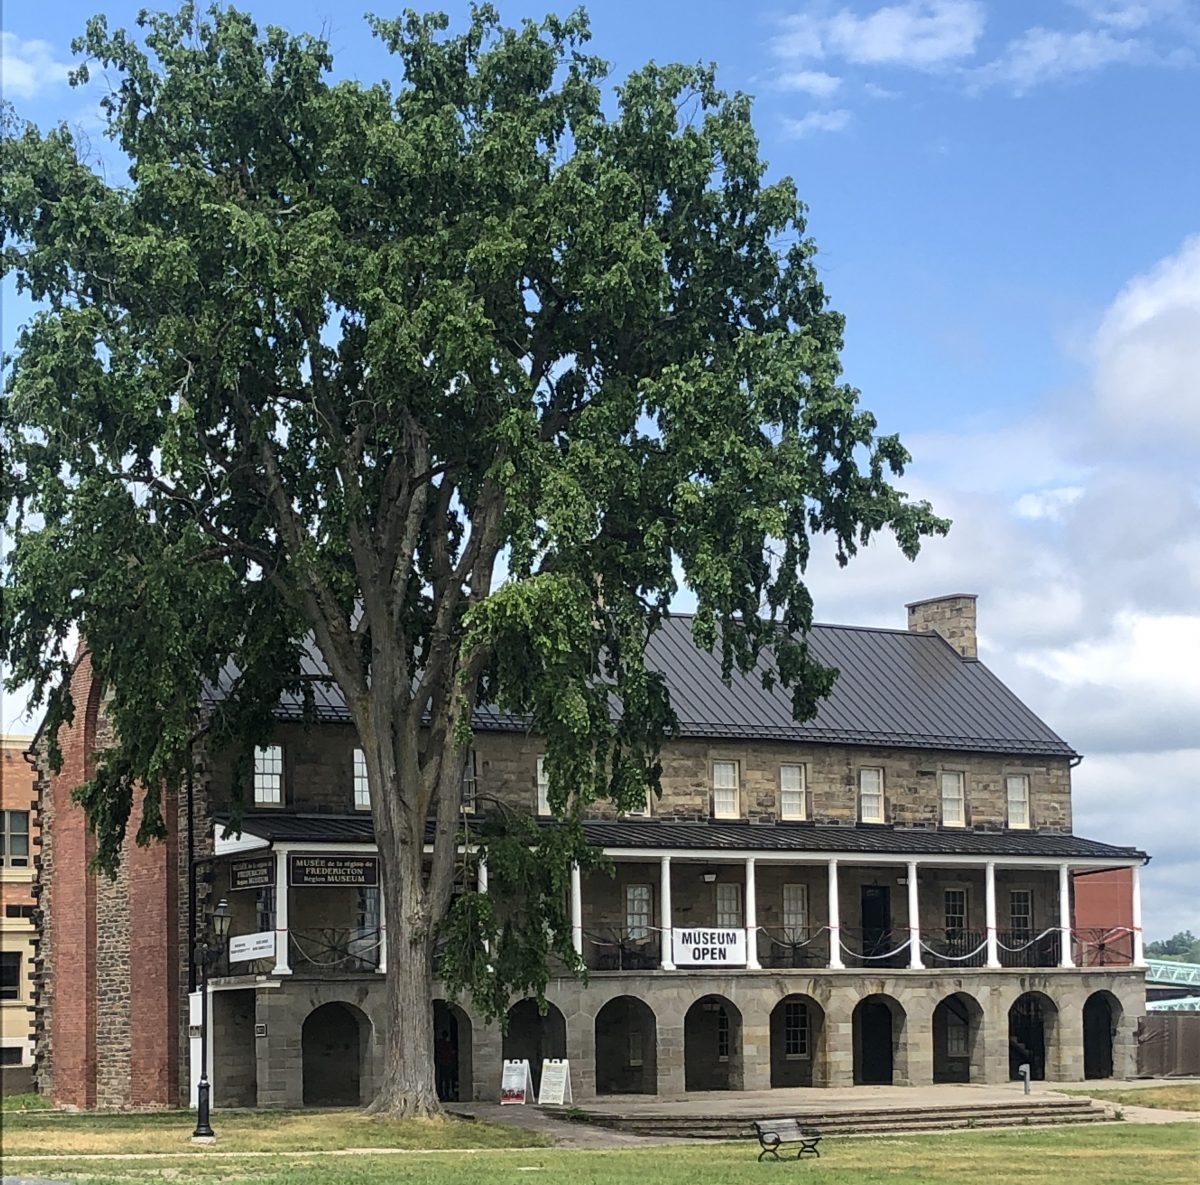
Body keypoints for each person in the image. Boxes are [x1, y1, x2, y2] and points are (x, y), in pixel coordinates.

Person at [435, 1030, 457, 1100]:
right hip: (447, 1063)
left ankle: (442, 1094)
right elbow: (452, 1053)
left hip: (442, 1063)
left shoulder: (440, 1044)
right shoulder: (448, 1044)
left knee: (442, 1080)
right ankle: (446, 1094)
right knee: (446, 1080)